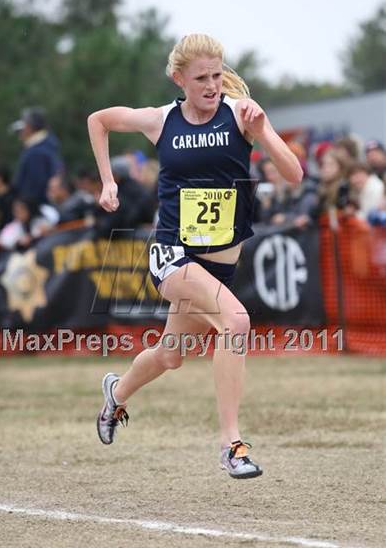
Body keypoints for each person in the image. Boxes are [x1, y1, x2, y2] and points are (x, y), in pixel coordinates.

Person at [87, 33, 302, 479]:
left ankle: (116, 394)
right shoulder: (160, 121)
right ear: (178, 78)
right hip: (172, 253)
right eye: (201, 77)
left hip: (219, 262)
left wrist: (261, 130)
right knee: (236, 321)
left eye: (218, 75)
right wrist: (108, 181)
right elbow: (98, 120)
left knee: (171, 355)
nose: (211, 85)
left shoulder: (240, 115)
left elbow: (294, 174)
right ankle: (231, 444)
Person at [10, 107, 64, 204]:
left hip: (34, 206)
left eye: (24, 127)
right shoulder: (46, 145)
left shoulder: (36, 152)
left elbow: (35, 185)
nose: (21, 132)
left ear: (30, 127)